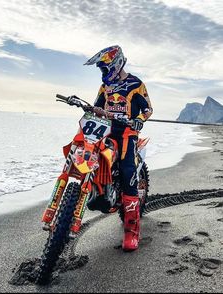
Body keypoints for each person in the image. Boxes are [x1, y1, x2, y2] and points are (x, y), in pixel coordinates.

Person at [84, 45, 153, 251]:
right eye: (101, 69)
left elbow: (148, 108)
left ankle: (131, 233)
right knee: (89, 157)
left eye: (105, 68)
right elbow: (97, 107)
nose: (103, 73)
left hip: (127, 135)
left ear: (116, 64)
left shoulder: (135, 84)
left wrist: (139, 119)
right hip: (105, 132)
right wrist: (91, 109)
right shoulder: (105, 87)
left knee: (127, 173)